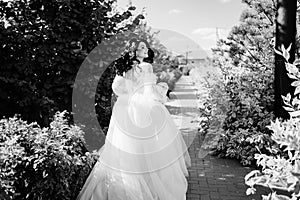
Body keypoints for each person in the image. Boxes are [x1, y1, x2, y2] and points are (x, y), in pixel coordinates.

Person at [77, 38, 191, 200]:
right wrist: (161, 92)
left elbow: (117, 89)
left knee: (124, 148)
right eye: (142, 47)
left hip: (123, 109)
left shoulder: (124, 69)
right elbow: (149, 92)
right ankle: (146, 183)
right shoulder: (145, 67)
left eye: (145, 47)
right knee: (143, 147)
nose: (146, 49)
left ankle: (124, 183)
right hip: (137, 109)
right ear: (134, 51)